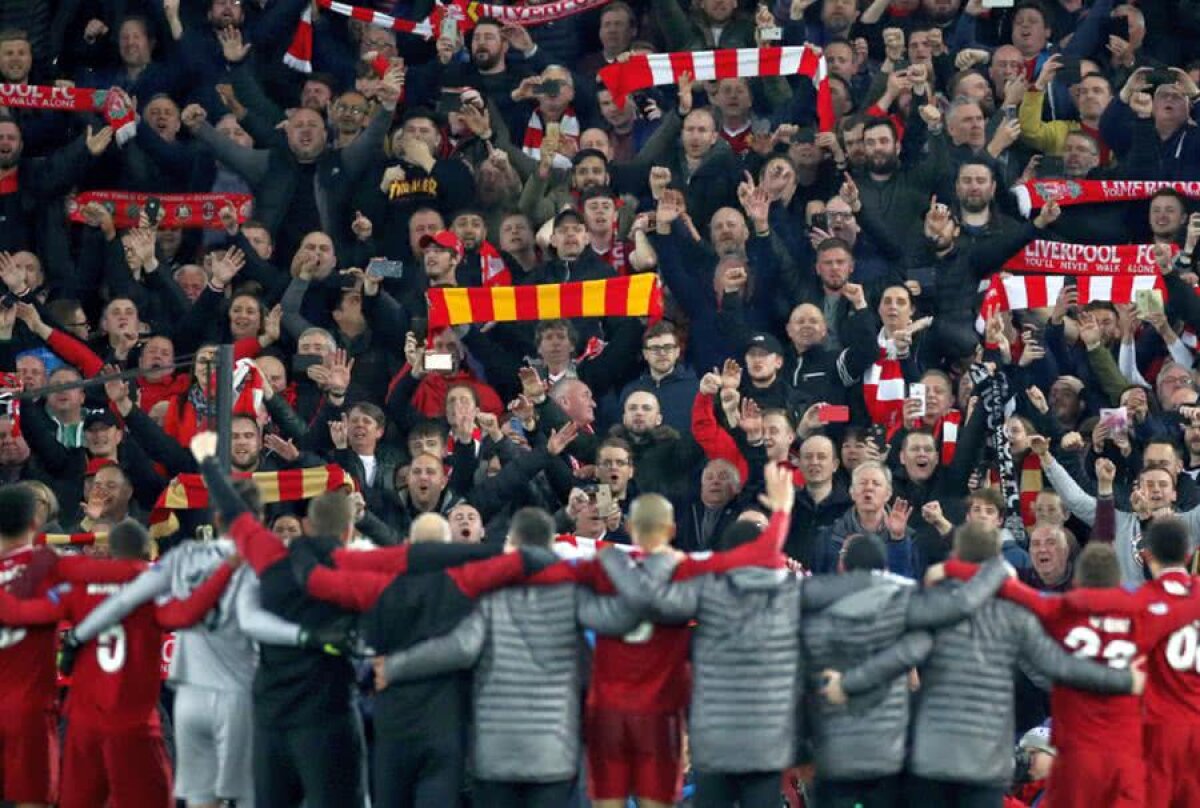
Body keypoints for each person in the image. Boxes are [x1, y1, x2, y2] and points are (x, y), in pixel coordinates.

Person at [0, 520, 237, 808]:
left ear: (110, 549)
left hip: (82, 722)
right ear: (145, 551)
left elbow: (25, 612)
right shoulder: (154, 587)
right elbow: (187, 614)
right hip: (134, 722)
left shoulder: (77, 586)